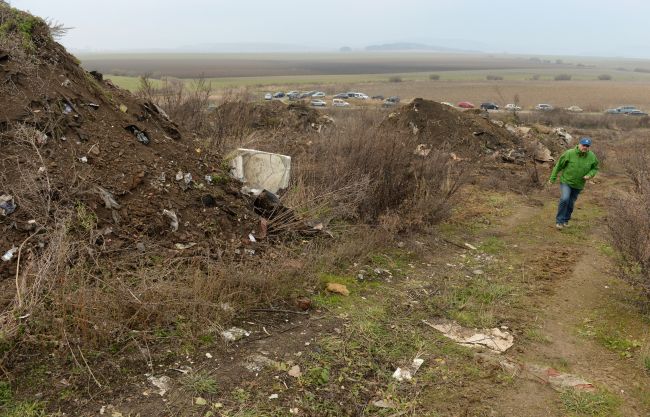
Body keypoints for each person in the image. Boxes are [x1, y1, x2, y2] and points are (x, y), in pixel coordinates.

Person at [548, 137, 599, 229]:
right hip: (566, 181)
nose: (585, 147)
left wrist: (589, 175)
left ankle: (566, 220)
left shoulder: (592, 156)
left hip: (579, 184)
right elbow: (558, 166)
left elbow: (595, 168)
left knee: (571, 203)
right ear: (579, 144)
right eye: (583, 145)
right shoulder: (569, 153)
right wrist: (552, 178)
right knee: (565, 199)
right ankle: (559, 221)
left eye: (587, 146)